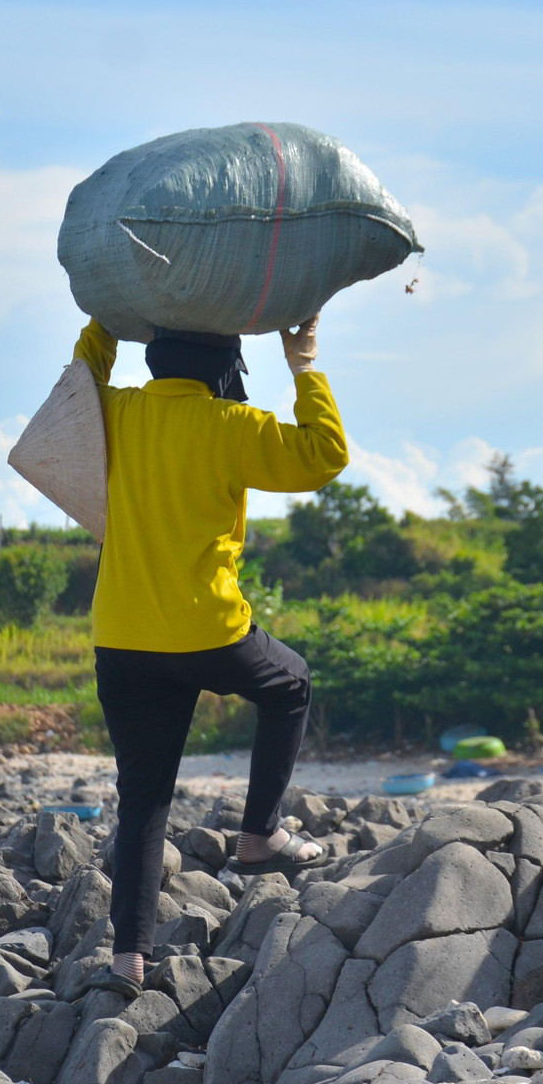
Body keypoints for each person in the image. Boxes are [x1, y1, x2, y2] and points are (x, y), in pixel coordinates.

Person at [73, 313, 347, 995]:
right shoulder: (231, 425)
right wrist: (305, 363)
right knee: (290, 685)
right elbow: (325, 453)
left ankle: (127, 961)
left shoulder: (115, 411)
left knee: (143, 798)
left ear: (157, 360)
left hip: (122, 635)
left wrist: (104, 319)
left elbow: (81, 378)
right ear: (224, 372)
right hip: (207, 631)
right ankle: (260, 835)